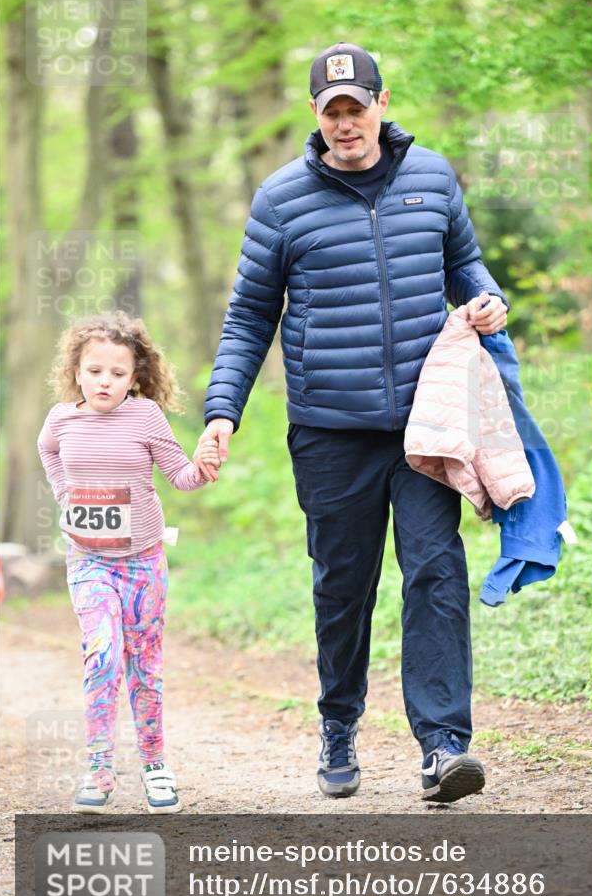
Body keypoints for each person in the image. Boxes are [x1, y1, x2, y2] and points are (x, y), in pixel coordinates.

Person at [195, 43, 509, 803]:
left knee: (434, 572)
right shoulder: (280, 200)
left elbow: (465, 267)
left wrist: (490, 299)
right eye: (332, 111)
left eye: (357, 107)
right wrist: (220, 414)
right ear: (316, 115)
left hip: (423, 426)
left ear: (380, 103)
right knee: (344, 586)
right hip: (329, 431)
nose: (346, 123)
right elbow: (247, 320)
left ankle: (441, 747)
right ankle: (338, 723)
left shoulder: (431, 177)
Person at [38, 311, 219, 814]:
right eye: (95, 370)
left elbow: (181, 476)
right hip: (88, 560)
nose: (105, 381)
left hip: (142, 561)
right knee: (101, 656)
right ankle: (98, 768)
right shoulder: (61, 418)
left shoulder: (145, 418)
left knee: (144, 665)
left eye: (118, 374)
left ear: (135, 378)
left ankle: (155, 764)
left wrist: (203, 467)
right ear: (77, 370)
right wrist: (63, 493)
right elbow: (47, 451)